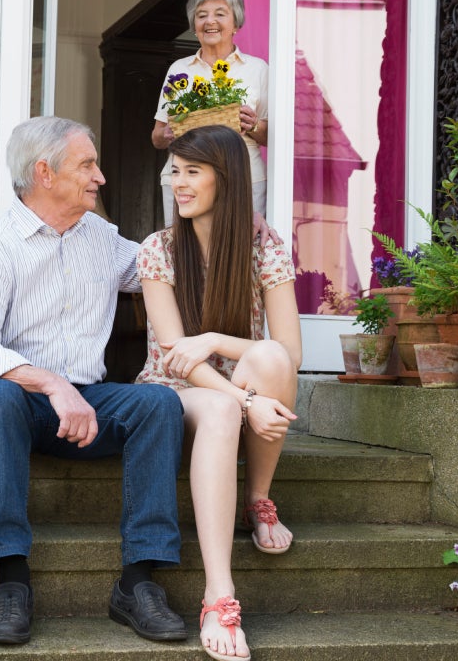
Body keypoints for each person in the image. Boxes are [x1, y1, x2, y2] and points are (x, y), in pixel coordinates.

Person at [0, 116, 188, 646]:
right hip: (21, 407)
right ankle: (12, 582)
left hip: (90, 404)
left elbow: (165, 267)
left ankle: (138, 582)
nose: (100, 177)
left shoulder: (102, 240)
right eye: (87, 165)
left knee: (159, 406)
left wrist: (235, 221)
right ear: (45, 173)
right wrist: (55, 386)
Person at [136, 125, 301, 661]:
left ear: (225, 180)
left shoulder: (265, 248)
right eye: (174, 172)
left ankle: (258, 498)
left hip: (244, 383)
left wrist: (213, 339)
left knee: (270, 357)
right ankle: (218, 593)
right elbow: (171, 353)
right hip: (175, 392)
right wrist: (244, 401)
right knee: (222, 410)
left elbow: (290, 353)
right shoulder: (158, 250)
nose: (178, 184)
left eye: (192, 172)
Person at [152, 0, 278, 245]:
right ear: (194, 26)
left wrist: (253, 125)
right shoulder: (179, 69)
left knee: (242, 250)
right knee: (183, 254)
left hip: (243, 177)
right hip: (184, 178)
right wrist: (168, 133)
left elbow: (271, 137)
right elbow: (157, 137)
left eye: (220, 13)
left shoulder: (257, 69)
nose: (210, 21)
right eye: (201, 15)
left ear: (236, 24)